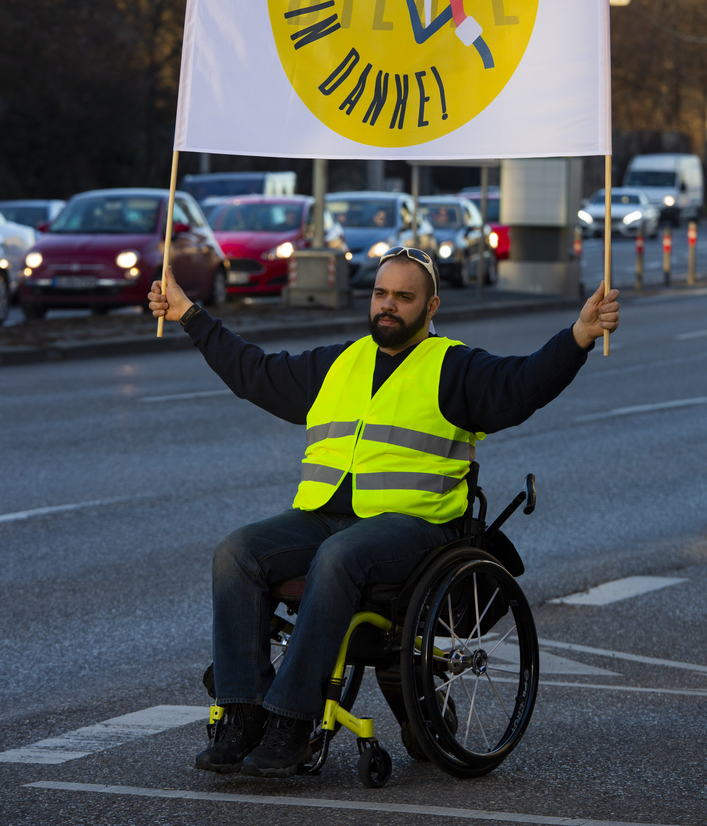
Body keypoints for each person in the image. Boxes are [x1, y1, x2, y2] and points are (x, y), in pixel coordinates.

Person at [147, 248, 619, 779]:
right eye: (380, 293)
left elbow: (522, 384)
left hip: (417, 527)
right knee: (236, 552)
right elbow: (252, 371)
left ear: (431, 304)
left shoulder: (453, 365)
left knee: (338, 556)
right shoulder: (339, 363)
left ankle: (290, 721)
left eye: (403, 296)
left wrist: (578, 337)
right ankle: (242, 712)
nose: (387, 306)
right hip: (326, 515)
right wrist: (189, 313)